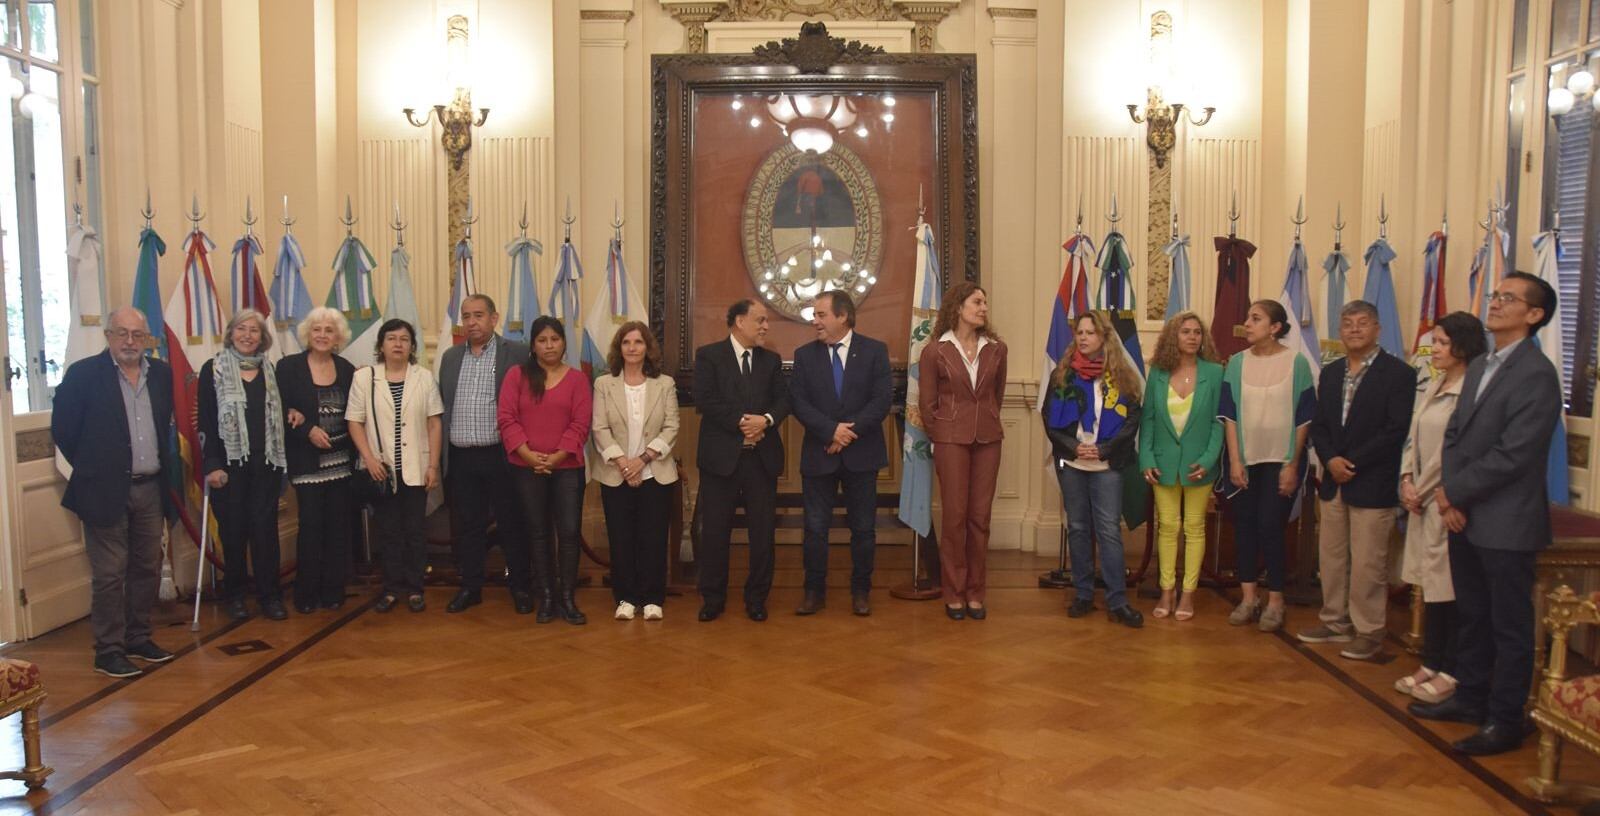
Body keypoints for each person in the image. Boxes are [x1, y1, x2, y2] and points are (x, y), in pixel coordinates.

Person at [1409, 272, 1563, 757]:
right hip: (1466, 515)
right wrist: (1454, 497)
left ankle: (1504, 719)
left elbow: (1515, 453)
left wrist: (1454, 494)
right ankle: (1470, 699)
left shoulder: (1537, 373)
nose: (1494, 303)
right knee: (1472, 616)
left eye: (1508, 299)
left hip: (1506, 522)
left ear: (1534, 315)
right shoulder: (1479, 366)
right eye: (1495, 295)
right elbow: (1454, 435)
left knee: (1508, 625)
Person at [52, 306, 177, 678]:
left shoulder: (162, 375)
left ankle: (138, 637)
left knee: (146, 567)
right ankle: (108, 649)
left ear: (148, 340)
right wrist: (95, 468)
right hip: (103, 490)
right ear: (108, 335)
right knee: (109, 573)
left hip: (150, 487)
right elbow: (64, 430)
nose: (129, 341)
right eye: (121, 333)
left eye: (138, 335)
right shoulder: (83, 375)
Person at [1299, 301, 1416, 660]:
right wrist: (1331, 459)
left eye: (1362, 323)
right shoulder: (1332, 373)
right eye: (1347, 323)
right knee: (1331, 556)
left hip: (1373, 481)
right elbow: (1320, 425)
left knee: (1368, 563)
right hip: (1334, 480)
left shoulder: (1398, 374)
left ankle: (1368, 630)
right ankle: (1334, 621)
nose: (1353, 330)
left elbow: (1396, 429)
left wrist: (1352, 462)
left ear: (1377, 329)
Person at [1393, 312, 1485, 705]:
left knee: (1450, 589)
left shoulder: (1471, 390)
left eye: (1443, 343)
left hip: (1446, 503)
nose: (1435, 350)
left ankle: (1452, 668)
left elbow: (1454, 448)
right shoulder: (1434, 383)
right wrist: (1405, 479)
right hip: (1422, 501)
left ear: (1463, 347)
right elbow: (1415, 437)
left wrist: (1423, 487)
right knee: (1429, 587)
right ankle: (1431, 661)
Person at [788, 290, 892, 617]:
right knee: (815, 528)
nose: (815, 321)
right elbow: (799, 402)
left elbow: (881, 400)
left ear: (842, 316)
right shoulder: (804, 356)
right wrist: (830, 431)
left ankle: (861, 590)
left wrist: (847, 433)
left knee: (863, 528)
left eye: (821, 314)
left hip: (862, 455)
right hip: (820, 454)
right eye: (814, 315)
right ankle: (813, 592)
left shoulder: (874, 351)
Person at [1218, 300, 1316, 633]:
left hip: (1281, 460)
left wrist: (1292, 462)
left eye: (1255, 318)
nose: (1247, 323)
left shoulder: (1296, 363)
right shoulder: (1236, 363)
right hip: (1245, 460)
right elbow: (1229, 416)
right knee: (1244, 527)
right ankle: (1249, 598)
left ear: (1275, 327)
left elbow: (1304, 417)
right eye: (1248, 317)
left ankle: (1276, 601)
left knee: (1271, 527)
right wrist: (1234, 459)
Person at [1044, 310, 1145, 629]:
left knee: (1108, 532)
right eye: (1080, 332)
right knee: (1077, 528)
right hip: (1072, 463)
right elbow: (1050, 419)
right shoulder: (1062, 375)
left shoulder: (1121, 375)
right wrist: (1075, 447)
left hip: (1107, 464)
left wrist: (1103, 449)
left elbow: (1132, 420)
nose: (1083, 337)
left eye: (1090, 332)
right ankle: (1083, 594)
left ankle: (1117, 600)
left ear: (1103, 337)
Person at [695, 299, 791, 622]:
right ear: (738, 321)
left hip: (760, 460)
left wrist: (764, 420)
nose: (766, 326)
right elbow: (706, 400)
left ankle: (757, 598)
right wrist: (742, 423)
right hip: (720, 459)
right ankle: (713, 597)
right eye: (760, 320)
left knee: (762, 533)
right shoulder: (709, 356)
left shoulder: (772, 361)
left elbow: (783, 401)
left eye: (766, 321)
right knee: (715, 533)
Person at [436, 294, 532, 615]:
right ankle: (471, 587)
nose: (472, 322)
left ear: (494, 317)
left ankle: (519, 586)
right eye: (466, 316)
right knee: (469, 526)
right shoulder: (450, 357)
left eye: (479, 315)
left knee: (511, 524)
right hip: (462, 457)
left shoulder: (516, 353)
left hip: (502, 455)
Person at [919, 282, 1007, 620]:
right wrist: (945, 432)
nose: (983, 307)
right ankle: (953, 592)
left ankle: (975, 593)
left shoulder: (997, 350)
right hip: (950, 440)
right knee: (954, 517)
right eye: (977, 302)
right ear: (958, 307)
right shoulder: (935, 351)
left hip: (988, 439)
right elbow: (928, 406)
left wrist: (982, 421)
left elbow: (995, 398)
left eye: (985, 302)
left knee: (979, 519)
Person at [499, 316, 592, 625]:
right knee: (537, 533)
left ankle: (567, 597)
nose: (549, 345)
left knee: (567, 533)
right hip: (525, 468)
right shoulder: (517, 375)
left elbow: (581, 423)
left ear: (564, 342)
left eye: (555, 339)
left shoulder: (578, 379)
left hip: (567, 467)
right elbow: (507, 418)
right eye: (542, 340)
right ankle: (548, 597)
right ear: (533, 344)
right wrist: (528, 455)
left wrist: (555, 457)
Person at [346, 319, 443, 614]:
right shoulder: (365, 378)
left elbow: (434, 422)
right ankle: (391, 588)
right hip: (381, 471)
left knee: (415, 531)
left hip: (416, 467)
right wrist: (370, 459)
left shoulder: (424, 377)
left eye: (404, 339)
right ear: (381, 345)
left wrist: (433, 465)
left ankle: (415, 588)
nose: (398, 343)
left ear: (412, 346)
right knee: (388, 532)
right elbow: (355, 421)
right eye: (391, 338)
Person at [198, 309, 289, 622]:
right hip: (228, 466)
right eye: (241, 329)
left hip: (266, 463)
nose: (248, 335)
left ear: (262, 337)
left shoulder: (271, 369)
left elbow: (282, 411)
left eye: (254, 330)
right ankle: (234, 596)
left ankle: (270, 596)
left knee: (266, 534)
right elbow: (207, 421)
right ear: (231, 332)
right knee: (233, 533)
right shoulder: (213, 369)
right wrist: (211, 464)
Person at [1138, 311, 1223, 622]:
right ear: (1173, 337)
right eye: (1185, 331)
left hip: (1199, 466)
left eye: (1197, 332)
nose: (1192, 337)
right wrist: (1145, 459)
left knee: (1195, 528)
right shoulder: (1158, 373)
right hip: (1162, 464)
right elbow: (1147, 421)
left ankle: (1188, 594)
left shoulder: (1214, 373)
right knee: (1168, 527)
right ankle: (1166, 590)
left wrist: (1210, 459)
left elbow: (1219, 423)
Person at [591, 321, 679, 622]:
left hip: (656, 472)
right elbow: (599, 429)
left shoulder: (664, 383)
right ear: (619, 348)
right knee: (621, 537)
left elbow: (672, 427)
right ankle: (626, 598)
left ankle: (653, 598)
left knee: (653, 537)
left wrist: (641, 460)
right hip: (616, 473)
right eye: (626, 342)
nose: (632, 348)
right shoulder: (604, 384)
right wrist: (624, 464)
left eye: (638, 342)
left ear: (647, 348)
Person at [277, 307, 357, 613]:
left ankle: (333, 590)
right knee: (310, 527)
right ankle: (306, 593)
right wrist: (307, 429)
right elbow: (279, 410)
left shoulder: (347, 369)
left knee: (337, 528)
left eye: (329, 330)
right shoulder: (288, 368)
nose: (323, 335)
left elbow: (356, 413)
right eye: (317, 330)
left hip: (341, 462)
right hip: (307, 461)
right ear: (308, 334)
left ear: (338, 337)